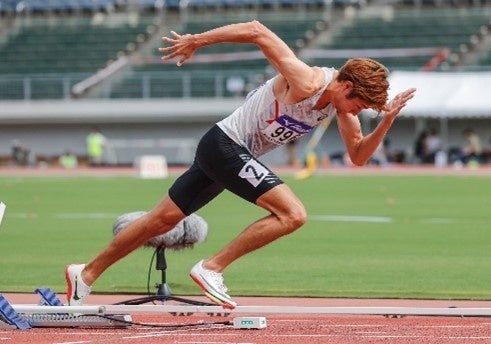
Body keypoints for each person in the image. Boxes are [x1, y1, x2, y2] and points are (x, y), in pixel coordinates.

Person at [65, 20, 415, 309]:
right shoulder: (308, 80)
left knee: (159, 221)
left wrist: (385, 121)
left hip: (223, 152)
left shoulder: (338, 107)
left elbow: (358, 156)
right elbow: (257, 30)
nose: (357, 113)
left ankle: (86, 273)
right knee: (293, 214)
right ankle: (211, 268)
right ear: (347, 86)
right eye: (360, 106)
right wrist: (196, 40)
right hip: (225, 145)